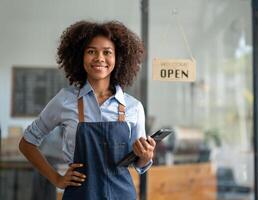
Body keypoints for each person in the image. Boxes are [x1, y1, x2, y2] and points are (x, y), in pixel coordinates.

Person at [19, 20, 156, 200]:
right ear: (80, 56)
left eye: (107, 52)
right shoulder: (65, 100)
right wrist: (57, 179)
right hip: (80, 194)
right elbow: (27, 143)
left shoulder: (134, 107)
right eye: (91, 51)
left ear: (119, 58)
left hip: (122, 195)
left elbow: (139, 163)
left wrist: (146, 156)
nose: (99, 58)